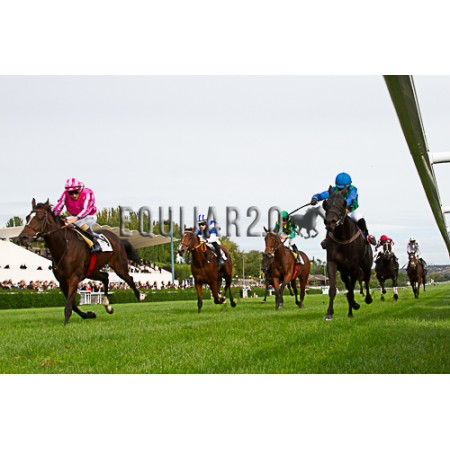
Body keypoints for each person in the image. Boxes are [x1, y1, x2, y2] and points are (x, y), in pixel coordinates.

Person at [310, 172, 376, 248]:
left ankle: (367, 235)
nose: (340, 190)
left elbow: (350, 199)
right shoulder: (334, 190)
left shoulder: (353, 189)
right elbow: (322, 195)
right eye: (339, 188)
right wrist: (315, 198)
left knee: (358, 217)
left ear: (349, 185)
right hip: (339, 213)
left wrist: (341, 204)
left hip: (350, 211)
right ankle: (327, 238)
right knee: (330, 218)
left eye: (342, 188)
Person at [52, 178, 101, 252]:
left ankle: (95, 243)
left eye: (76, 192)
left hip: (89, 216)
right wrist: (53, 215)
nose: (74, 195)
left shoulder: (87, 193)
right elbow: (59, 206)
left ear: (80, 189)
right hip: (75, 216)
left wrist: (75, 219)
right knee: (61, 224)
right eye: (71, 193)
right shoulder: (65, 194)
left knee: (79, 223)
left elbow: (86, 209)